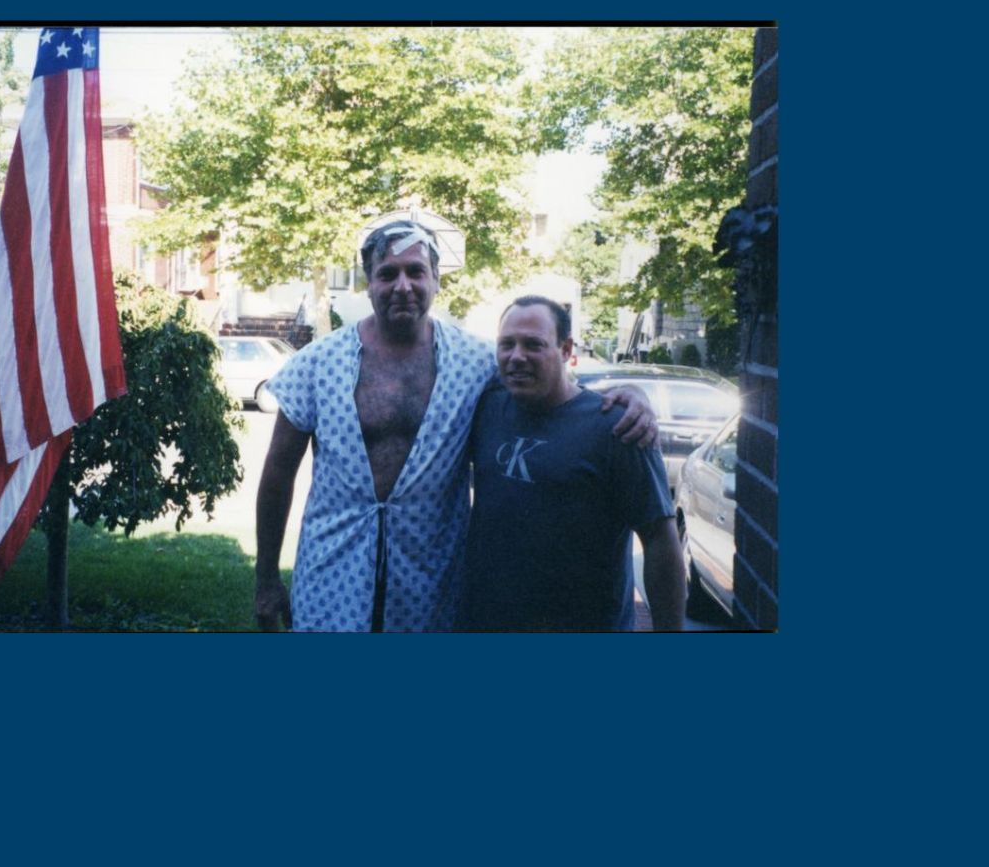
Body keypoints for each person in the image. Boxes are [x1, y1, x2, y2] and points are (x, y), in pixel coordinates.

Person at [254, 220, 658, 632]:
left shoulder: (476, 363)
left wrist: (629, 393)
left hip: (429, 587)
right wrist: (266, 579)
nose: (403, 285)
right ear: (369, 283)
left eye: (416, 271)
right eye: (388, 273)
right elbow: (278, 471)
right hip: (331, 576)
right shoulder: (317, 364)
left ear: (436, 281)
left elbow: (547, 378)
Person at [456, 296, 683, 631]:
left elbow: (660, 540)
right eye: (507, 344)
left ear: (565, 350)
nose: (517, 356)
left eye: (534, 345)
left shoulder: (617, 427)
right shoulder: (485, 409)